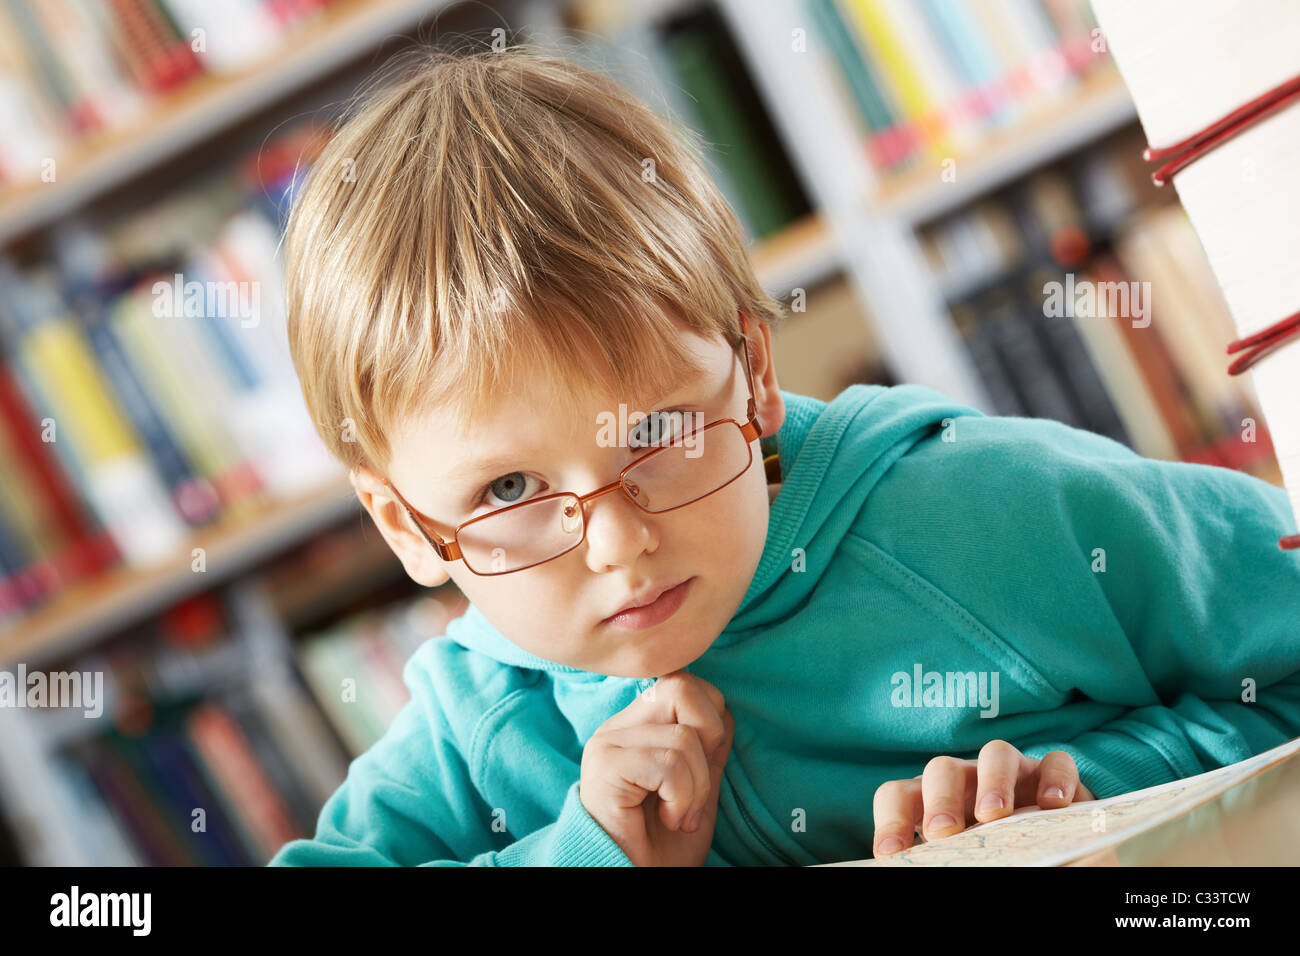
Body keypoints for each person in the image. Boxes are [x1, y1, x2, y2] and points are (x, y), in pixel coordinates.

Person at [268, 44, 1300, 866]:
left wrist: (1085, 789)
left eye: (660, 431)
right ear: (405, 522)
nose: (620, 542)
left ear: (752, 373)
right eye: (508, 488)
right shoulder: (476, 721)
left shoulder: (988, 509)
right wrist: (590, 854)